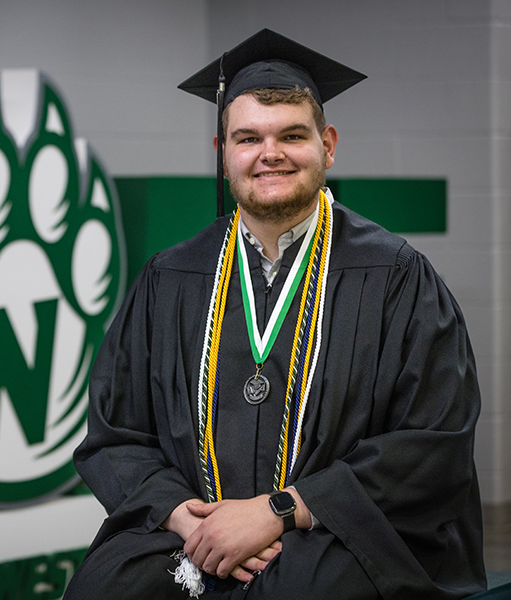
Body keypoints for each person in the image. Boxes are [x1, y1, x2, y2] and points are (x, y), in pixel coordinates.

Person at [64, 29, 486, 599]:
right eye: (248, 138)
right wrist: (186, 518)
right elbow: (116, 435)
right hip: (197, 531)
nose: (270, 154)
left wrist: (281, 511)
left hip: (337, 532)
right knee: (109, 584)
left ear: (328, 144)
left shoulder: (395, 276)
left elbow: (435, 440)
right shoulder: (172, 278)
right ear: (223, 153)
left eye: (292, 135)